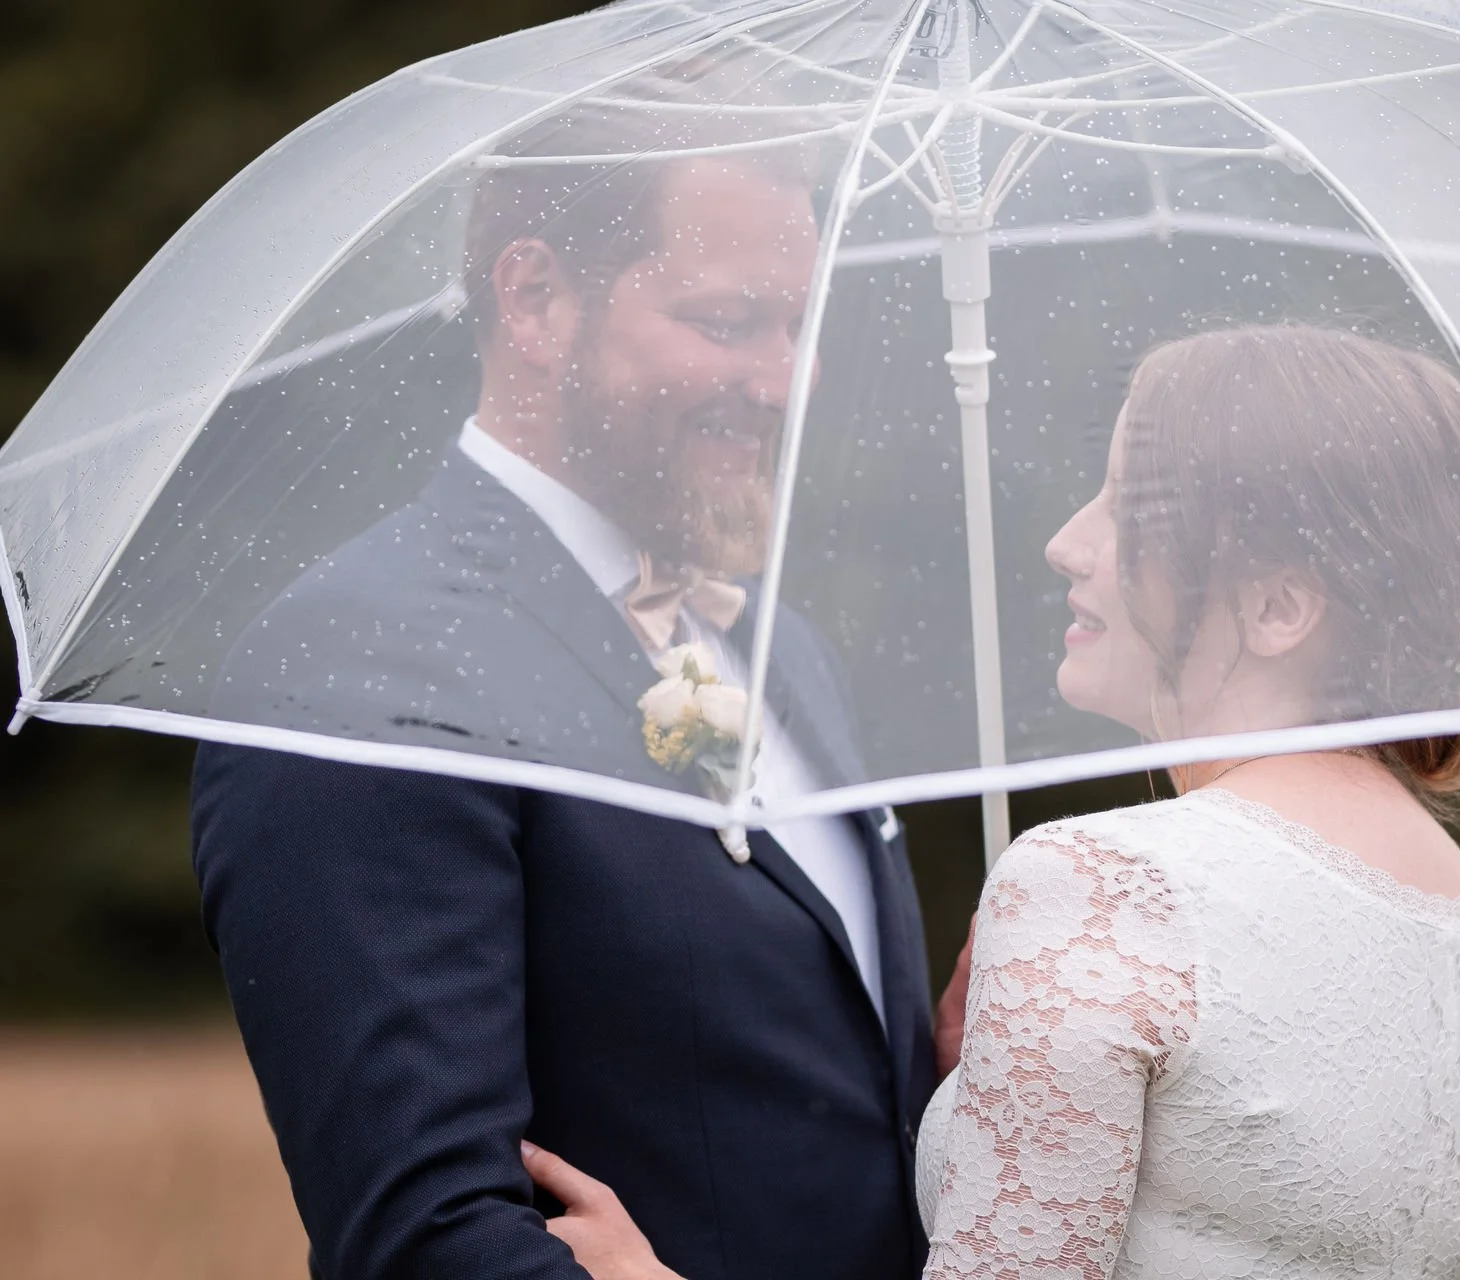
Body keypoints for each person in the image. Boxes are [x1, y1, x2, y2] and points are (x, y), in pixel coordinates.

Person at [529, 323, 1460, 1279]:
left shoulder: (1104, 887)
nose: (1069, 542)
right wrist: (990, 1086)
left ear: (1278, 607)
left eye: (1131, 508)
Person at [191, 97, 946, 1280]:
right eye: (730, 320)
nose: (782, 379)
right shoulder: (359, 665)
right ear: (536, 300)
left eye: (798, 325)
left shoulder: (781, 643)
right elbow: (424, 1236)